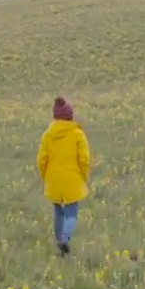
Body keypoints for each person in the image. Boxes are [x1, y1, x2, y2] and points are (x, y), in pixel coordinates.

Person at [37, 97, 91, 256]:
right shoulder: (77, 134)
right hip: (73, 180)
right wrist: (84, 176)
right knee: (71, 214)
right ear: (70, 116)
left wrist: (45, 177)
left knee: (59, 212)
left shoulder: (48, 135)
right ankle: (65, 241)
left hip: (53, 181)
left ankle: (59, 242)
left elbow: (41, 159)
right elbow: (85, 159)